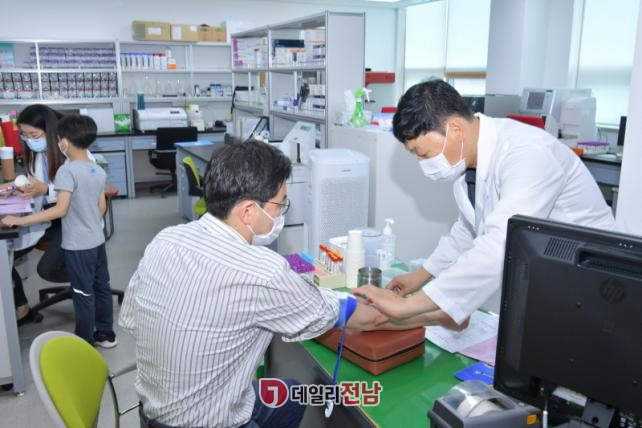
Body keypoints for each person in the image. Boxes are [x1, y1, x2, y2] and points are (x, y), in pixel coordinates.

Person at [119, 139, 385, 428]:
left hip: (151, 415)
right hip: (210, 422)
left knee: (290, 395)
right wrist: (388, 307)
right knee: (294, 393)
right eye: (280, 204)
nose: (282, 212)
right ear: (248, 211)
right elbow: (331, 312)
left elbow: (131, 320)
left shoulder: (165, 239)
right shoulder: (262, 272)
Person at [354, 80, 616, 330]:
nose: (423, 164)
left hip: (591, 282)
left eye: (423, 153)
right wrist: (421, 274)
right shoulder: (469, 162)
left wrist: (408, 306)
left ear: (456, 130)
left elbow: (501, 243)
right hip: (548, 276)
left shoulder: (528, 154)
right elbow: (468, 228)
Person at [2, 115, 116, 348]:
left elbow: (60, 209)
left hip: (77, 245)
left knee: (82, 293)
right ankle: (106, 335)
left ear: (63, 142)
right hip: (96, 241)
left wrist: (21, 220)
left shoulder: (67, 171)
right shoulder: (96, 169)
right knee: (102, 287)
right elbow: (102, 207)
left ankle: (84, 340)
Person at [0, 104, 67, 325]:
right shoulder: (36, 155)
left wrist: (45, 190)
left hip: (68, 221)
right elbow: (35, 185)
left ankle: (91, 279)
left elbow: (77, 191)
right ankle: (22, 308)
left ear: (50, 131)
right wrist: (19, 190)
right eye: (25, 135)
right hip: (45, 219)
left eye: (34, 135)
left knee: (47, 269)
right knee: (4, 256)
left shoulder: (71, 151)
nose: (29, 140)